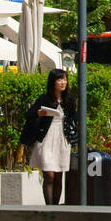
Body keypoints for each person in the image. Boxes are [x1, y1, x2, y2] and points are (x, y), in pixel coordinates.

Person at [24, 69, 78, 204]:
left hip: (62, 138)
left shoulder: (69, 100)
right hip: (46, 138)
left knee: (59, 176)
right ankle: (49, 207)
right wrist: (39, 113)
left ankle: (56, 207)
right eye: (60, 79)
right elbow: (28, 114)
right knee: (49, 175)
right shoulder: (44, 98)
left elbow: (74, 118)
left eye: (65, 79)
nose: (63, 82)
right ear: (53, 82)